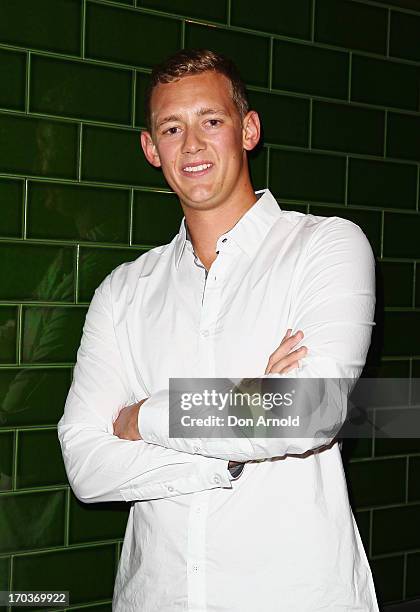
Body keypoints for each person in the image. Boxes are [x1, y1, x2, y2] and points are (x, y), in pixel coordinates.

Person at [57, 48, 380, 611]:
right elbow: (87, 466)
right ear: (151, 149)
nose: (192, 145)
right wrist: (234, 449)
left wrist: (145, 417)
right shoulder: (123, 290)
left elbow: (310, 410)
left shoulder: (326, 246)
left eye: (211, 121)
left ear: (248, 130)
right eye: (172, 128)